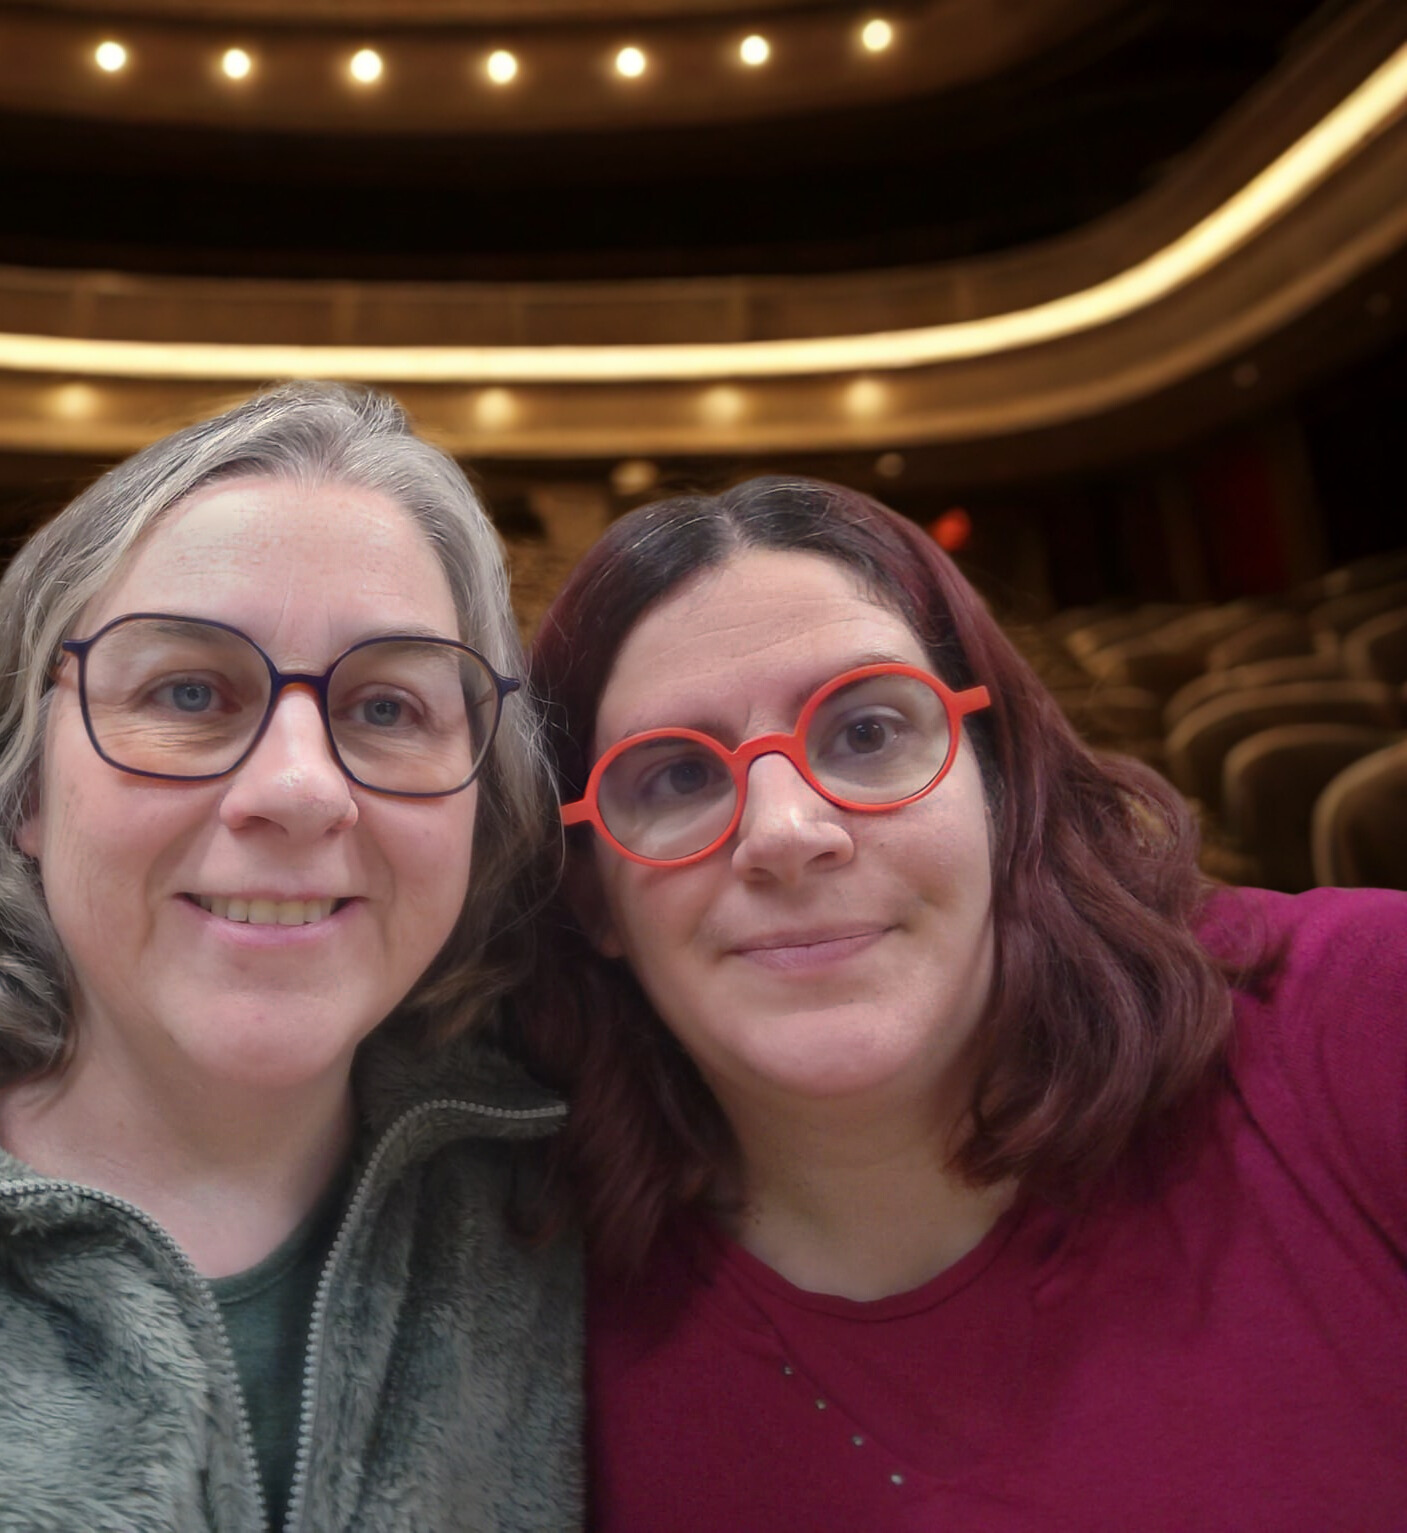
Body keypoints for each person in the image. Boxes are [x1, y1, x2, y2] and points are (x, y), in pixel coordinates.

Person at [0, 383, 582, 1532]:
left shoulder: (570, 1197)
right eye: (188, 691)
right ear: (23, 785)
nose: (300, 788)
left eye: (387, 709)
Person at [518, 476, 1407, 1532]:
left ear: (999, 784)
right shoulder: (524, 1316)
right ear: (593, 896)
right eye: (673, 777)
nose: (787, 832)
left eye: (865, 732)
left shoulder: (1359, 1010)